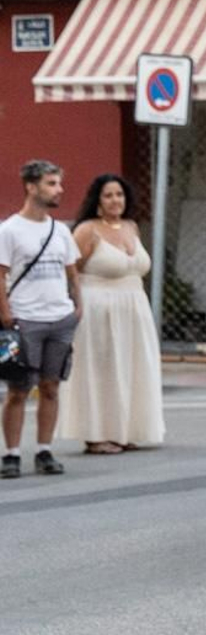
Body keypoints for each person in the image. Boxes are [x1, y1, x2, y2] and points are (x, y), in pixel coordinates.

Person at [58, 174, 165, 454]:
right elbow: (70, 270)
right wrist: (74, 304)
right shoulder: (86, 231)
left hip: (134, 306)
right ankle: (96, 435)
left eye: (119, 194)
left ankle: (123, 430)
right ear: (97, 201)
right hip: (98, 308)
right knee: (101, 369)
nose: (115, 200)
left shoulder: (132, 227)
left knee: (131, 367)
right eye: (108, 195)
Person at [0, 160, 80, 479]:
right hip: (25, 320)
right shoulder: (9, 230)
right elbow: (1, 275)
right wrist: (5, 313)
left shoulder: (60, 230)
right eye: (51, 183)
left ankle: (45, 450)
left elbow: (72, 272)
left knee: (51, 386)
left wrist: (77, 306)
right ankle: (12, 453)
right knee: (19, 389)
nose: (58, 190)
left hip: (59, 318)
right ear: (31, 187)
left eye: (58, 184)